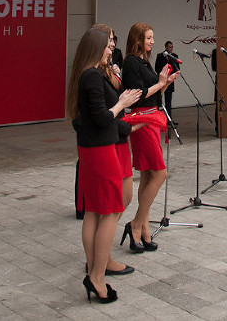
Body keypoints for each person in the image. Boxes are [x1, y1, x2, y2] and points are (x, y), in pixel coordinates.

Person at [65, 27, 141, 304]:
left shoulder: (90, 74)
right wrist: (122, 103)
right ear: (96, 47)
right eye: (108, 44)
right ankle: (97, 276)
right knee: (110, 210)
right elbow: (101, 117)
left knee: (94, 212)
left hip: (93, 149)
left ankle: (96, 270)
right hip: (100, 150)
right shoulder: (92, 76)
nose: (111, 48)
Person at [120, 23, 178, 253]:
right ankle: (136, 224)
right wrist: (160, 83)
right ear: (138, 40)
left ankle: (143, 228)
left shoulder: (143, 62)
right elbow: (139, 95)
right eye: (148, 38)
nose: (152, 41)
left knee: (148, 175)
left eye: (152, 38)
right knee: (159, 173)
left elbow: (152, 95)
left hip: (151, 117)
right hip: (142, 121)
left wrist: (165, 84)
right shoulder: (131, 62)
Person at [154, 40, 180, 118]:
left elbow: (177, 68)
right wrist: (164, 74)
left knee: (168, 102)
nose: (171, 49)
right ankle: (157, 118)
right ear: (166, 47)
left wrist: (171, 75)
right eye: (169, 47)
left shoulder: (174, 56)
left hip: (170, 82)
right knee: (158, 100)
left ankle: (169, 119)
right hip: (161, 80)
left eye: (172, 47)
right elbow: (157, 68)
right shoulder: (160, 56)